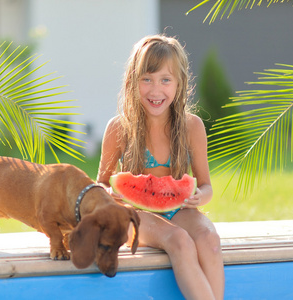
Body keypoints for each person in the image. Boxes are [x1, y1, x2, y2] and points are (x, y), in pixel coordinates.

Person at [96, 34, 225, 300]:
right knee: (179, 241)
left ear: (179, 84)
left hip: (180, 209)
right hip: (132, 214)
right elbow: (100, 184)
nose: (156, 90)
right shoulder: (118, 128)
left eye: (165, 80)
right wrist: (109, 193)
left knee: (210, 241)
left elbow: (206, 186)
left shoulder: (192, 127)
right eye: (147, 79)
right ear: (133, 82)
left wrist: (200, 196)